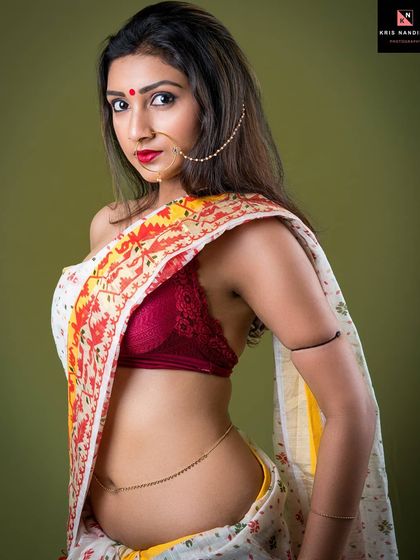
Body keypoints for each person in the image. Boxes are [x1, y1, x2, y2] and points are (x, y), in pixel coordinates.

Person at [50, 2, 398, 559]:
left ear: (212, 102)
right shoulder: (109, 226)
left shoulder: (250, 238)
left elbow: (350, 409)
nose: (137, 128)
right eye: (120, 104)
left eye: (162, 99)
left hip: (218, 539)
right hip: (102, 540)